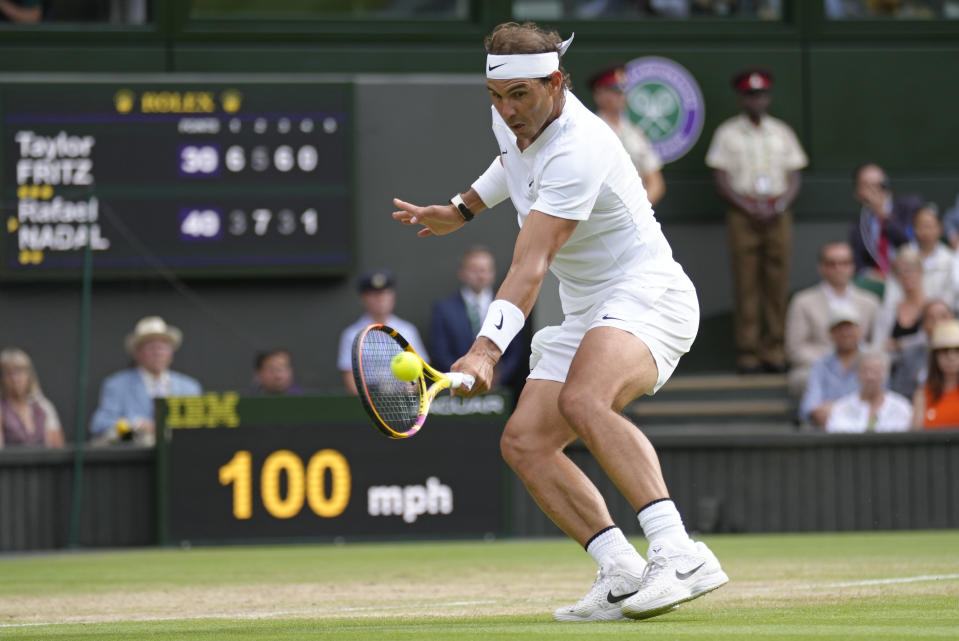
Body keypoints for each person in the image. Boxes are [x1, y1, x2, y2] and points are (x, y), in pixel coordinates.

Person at [391, 21, 727, 622]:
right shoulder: (511, 116)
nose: (507, 110)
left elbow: (532, 262)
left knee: (585, 400)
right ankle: (621, 570)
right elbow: (511, 166)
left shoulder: (581, 146)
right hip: (589, 308)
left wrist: (486, 351)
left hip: (649, 294)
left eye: (520, 95)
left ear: (556, 82)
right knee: (524, 443)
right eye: (496, 97)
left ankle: (679, 552)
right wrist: (462, 209)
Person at [705, 67, 807, 374]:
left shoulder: (782, 132)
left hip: (778, 212)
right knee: (746, 281)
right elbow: (720, 178)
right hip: (742, 212)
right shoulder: (727, 133)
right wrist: (747, 207)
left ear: (768, 97)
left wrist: (780, 204)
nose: (756, 100)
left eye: (761, 94)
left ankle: (774, 348)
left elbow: (795, 174)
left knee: (777, 280)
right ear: (741, 98)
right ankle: (748, 351)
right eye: (750, 95)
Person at [784, 241, 880, 397]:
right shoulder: (802, 301)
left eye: (844, 263)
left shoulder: (870, 302)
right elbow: (795, 349)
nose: (838, 269)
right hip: (817, 366)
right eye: (832, 264)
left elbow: (877, 343)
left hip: (860, 367)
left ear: (852, 266)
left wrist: (856, 361)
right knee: (803, 378)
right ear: (821, 268)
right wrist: (834, 361)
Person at [89, 316, 202, 444]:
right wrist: (135, 424)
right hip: (135, 457)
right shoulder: (117, 385)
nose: (158, 352)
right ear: (137, 353)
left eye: (163, 347)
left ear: (171, 353)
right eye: (151, 347)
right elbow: (99, 424)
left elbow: (198, 428)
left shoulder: (189, 387)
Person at [430, 246, 526, 390]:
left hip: (499, 389)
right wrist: (462, 377)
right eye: (474, 270)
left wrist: (498, 377)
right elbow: (440, 352)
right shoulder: (444, 309)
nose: (480, 276)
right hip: (458, 387)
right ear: (462, 273)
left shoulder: (506, 307)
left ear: (492, 274)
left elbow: (516, 351)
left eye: (485, 270)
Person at [337, 270, 429, 395]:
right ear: (363, 299)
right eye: (375, 295)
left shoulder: (408, 330)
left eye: (386, 294)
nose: (381, 299)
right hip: (368, 398)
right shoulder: (351, 335)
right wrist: (367, 402)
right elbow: (349, 376)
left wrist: (411, 389)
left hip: (405, 399)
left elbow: (421, 372)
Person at [588, 64, 666, 206]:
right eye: (615, 91)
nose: (622, 95)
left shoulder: (635, 132)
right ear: (599, 94)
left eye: (624, 90)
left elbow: (655, 181)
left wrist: (639, 208)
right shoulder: (588, 130)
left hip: (636, 213)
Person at [848, 163, 923, 284]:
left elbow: (909, 242)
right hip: (877, 281)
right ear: (858, 193)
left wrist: (882, 214)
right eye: (867, 186)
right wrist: (868, 273)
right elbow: (858, 261)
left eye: (878, 185)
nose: (873, 191)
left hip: (909, 276)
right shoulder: (859, 224)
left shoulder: (909, 207)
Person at [798, 304, 864, 428]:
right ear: (831, 333)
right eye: (839, 328)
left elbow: (877, 404)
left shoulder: (873, 361)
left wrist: (835, 409)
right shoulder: (820, 366)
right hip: (829, 433)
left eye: (849, 327)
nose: (845, 333)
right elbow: (810, 407)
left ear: (859, 329)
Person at [824, 350, 912, 433]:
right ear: (856, 374)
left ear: (885, 375)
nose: (870, 377)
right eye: (865, 371)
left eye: (876, 371)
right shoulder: (841, 408)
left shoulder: (902, 407)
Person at [888, 298, 954, 399]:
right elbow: (900, 394)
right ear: (924, 325)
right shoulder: (910, 355)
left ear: (953, 319)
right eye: (931, 318)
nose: (938, 322)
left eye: (943, 316)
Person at [0, 348, 64, 449]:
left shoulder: (44, 406)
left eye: (19, 372)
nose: (15, 379)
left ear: (29, 375)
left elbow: (57, 448)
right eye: (9, 374)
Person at [869, 246, 927, 354]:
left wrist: (901, 344)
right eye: (900, 272)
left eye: (911, 270)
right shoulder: (887, 310)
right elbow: (877, 344)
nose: (906, 275)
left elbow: (932, 338)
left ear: (921, 271)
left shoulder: (933, 307)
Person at [912, 319, 959, 429]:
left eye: (957, 350)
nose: (951, 357)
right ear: (935, 357)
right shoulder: (922, 394)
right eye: (944, 350)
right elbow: (915, 435)